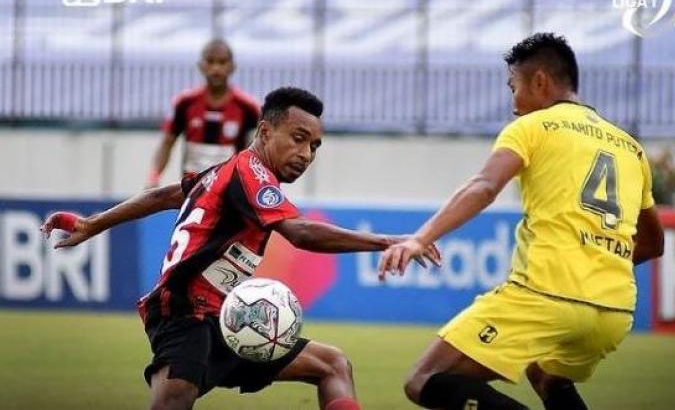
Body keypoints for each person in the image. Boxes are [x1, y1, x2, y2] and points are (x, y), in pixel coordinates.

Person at [42, 87, 439, 410]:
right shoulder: (251, 174)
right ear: (265, 132)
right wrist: (389, 240)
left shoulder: (222, 172)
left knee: (332, 364)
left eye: (315, 146)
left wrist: (94, 223)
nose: (306, 154)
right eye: (298, 139)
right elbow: (300, 233)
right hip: (184, 313)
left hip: (229, 321)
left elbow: (166, 195)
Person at [378, 33, 665, 410]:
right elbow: (653, 243)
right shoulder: (630, 147)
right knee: (546, 376)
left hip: (546, 294)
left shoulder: (533, 127)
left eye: (513, 87)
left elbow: (484, 187)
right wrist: (595, 263)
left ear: (540, 81)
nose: (513, 104)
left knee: (425, 380)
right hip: (614, 310)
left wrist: (419, 238)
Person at [147, 39, 261, 187]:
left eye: (222, 62)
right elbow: (167, 142)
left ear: (232, 67)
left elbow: (256, 151)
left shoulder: (248, 107)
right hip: (193, 187)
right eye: (210, 61)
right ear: (201, 66)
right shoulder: (185, 102)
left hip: (230, 189)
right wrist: (153, 177)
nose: (216, 68)